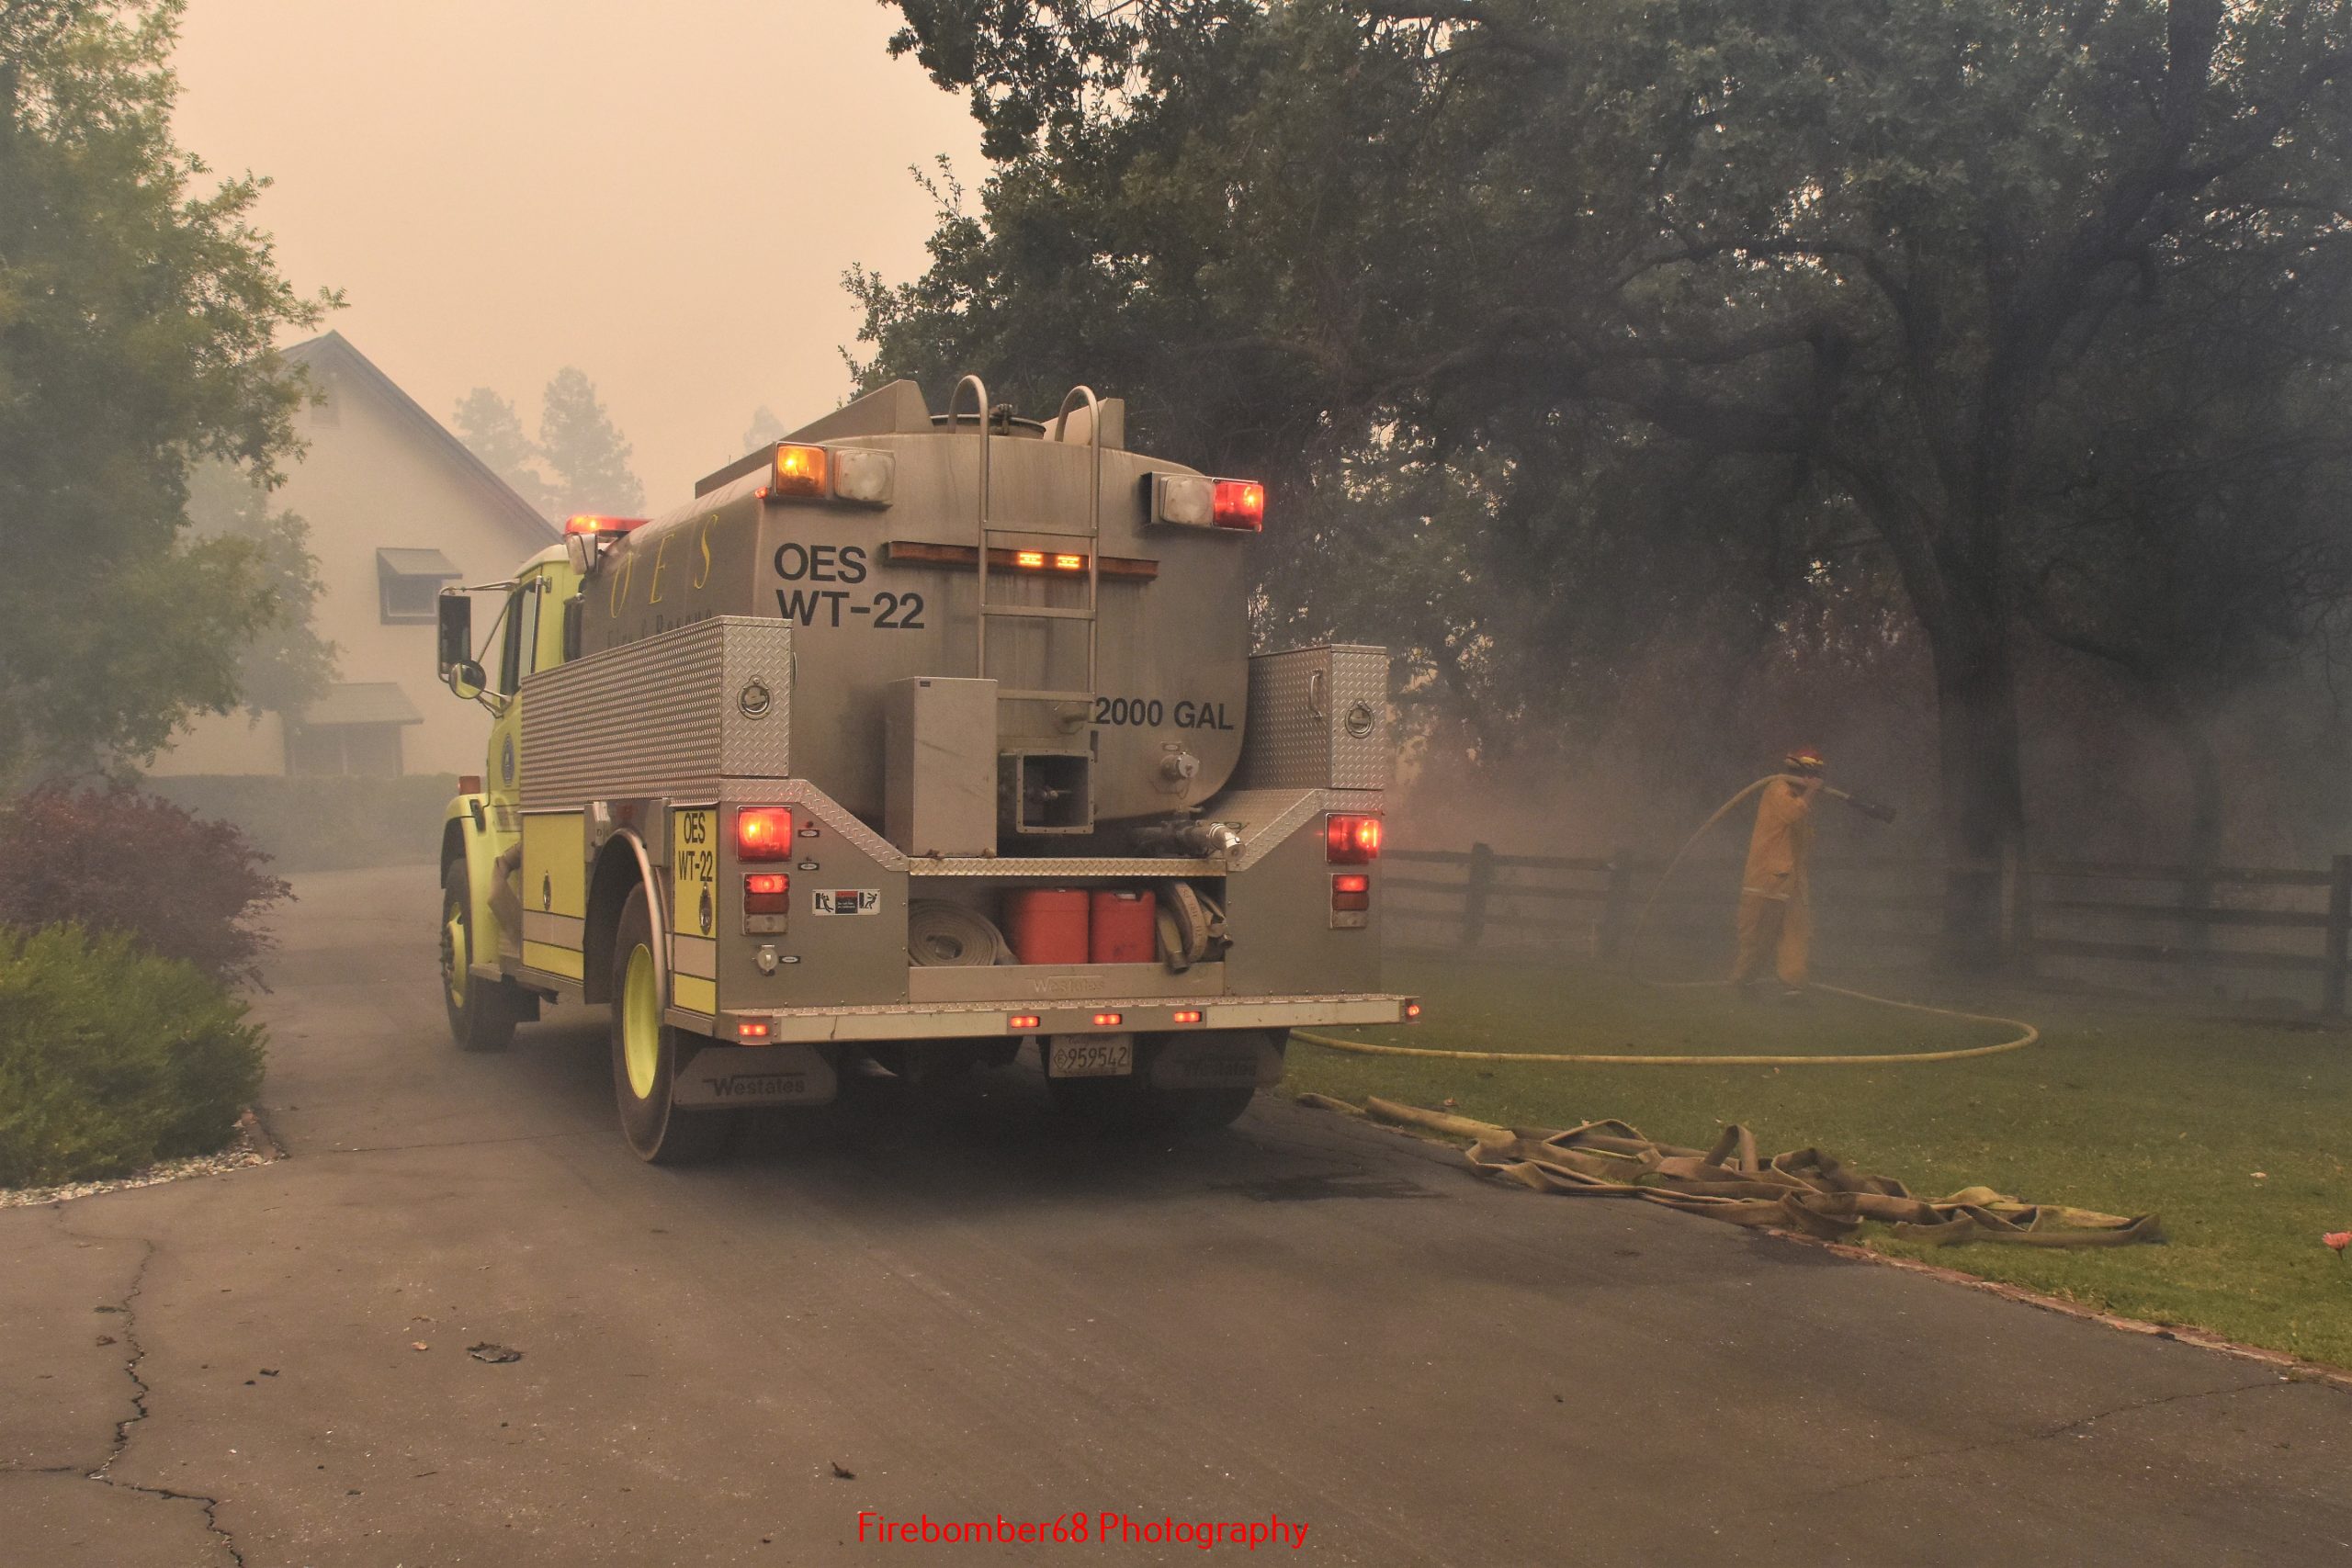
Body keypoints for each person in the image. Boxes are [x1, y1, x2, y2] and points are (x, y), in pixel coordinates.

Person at [1733, 750, 1826, 996]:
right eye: (1811, 774)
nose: (1814, 778)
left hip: (1792, 881)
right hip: (1767, 879)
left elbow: (1803, 839)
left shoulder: (1798, 798)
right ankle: (1745, 981)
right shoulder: (1777, 789)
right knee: (1759, 936)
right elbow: (1790, 812)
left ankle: (1792, 986)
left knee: (1796, 933)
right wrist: (1811, 792)